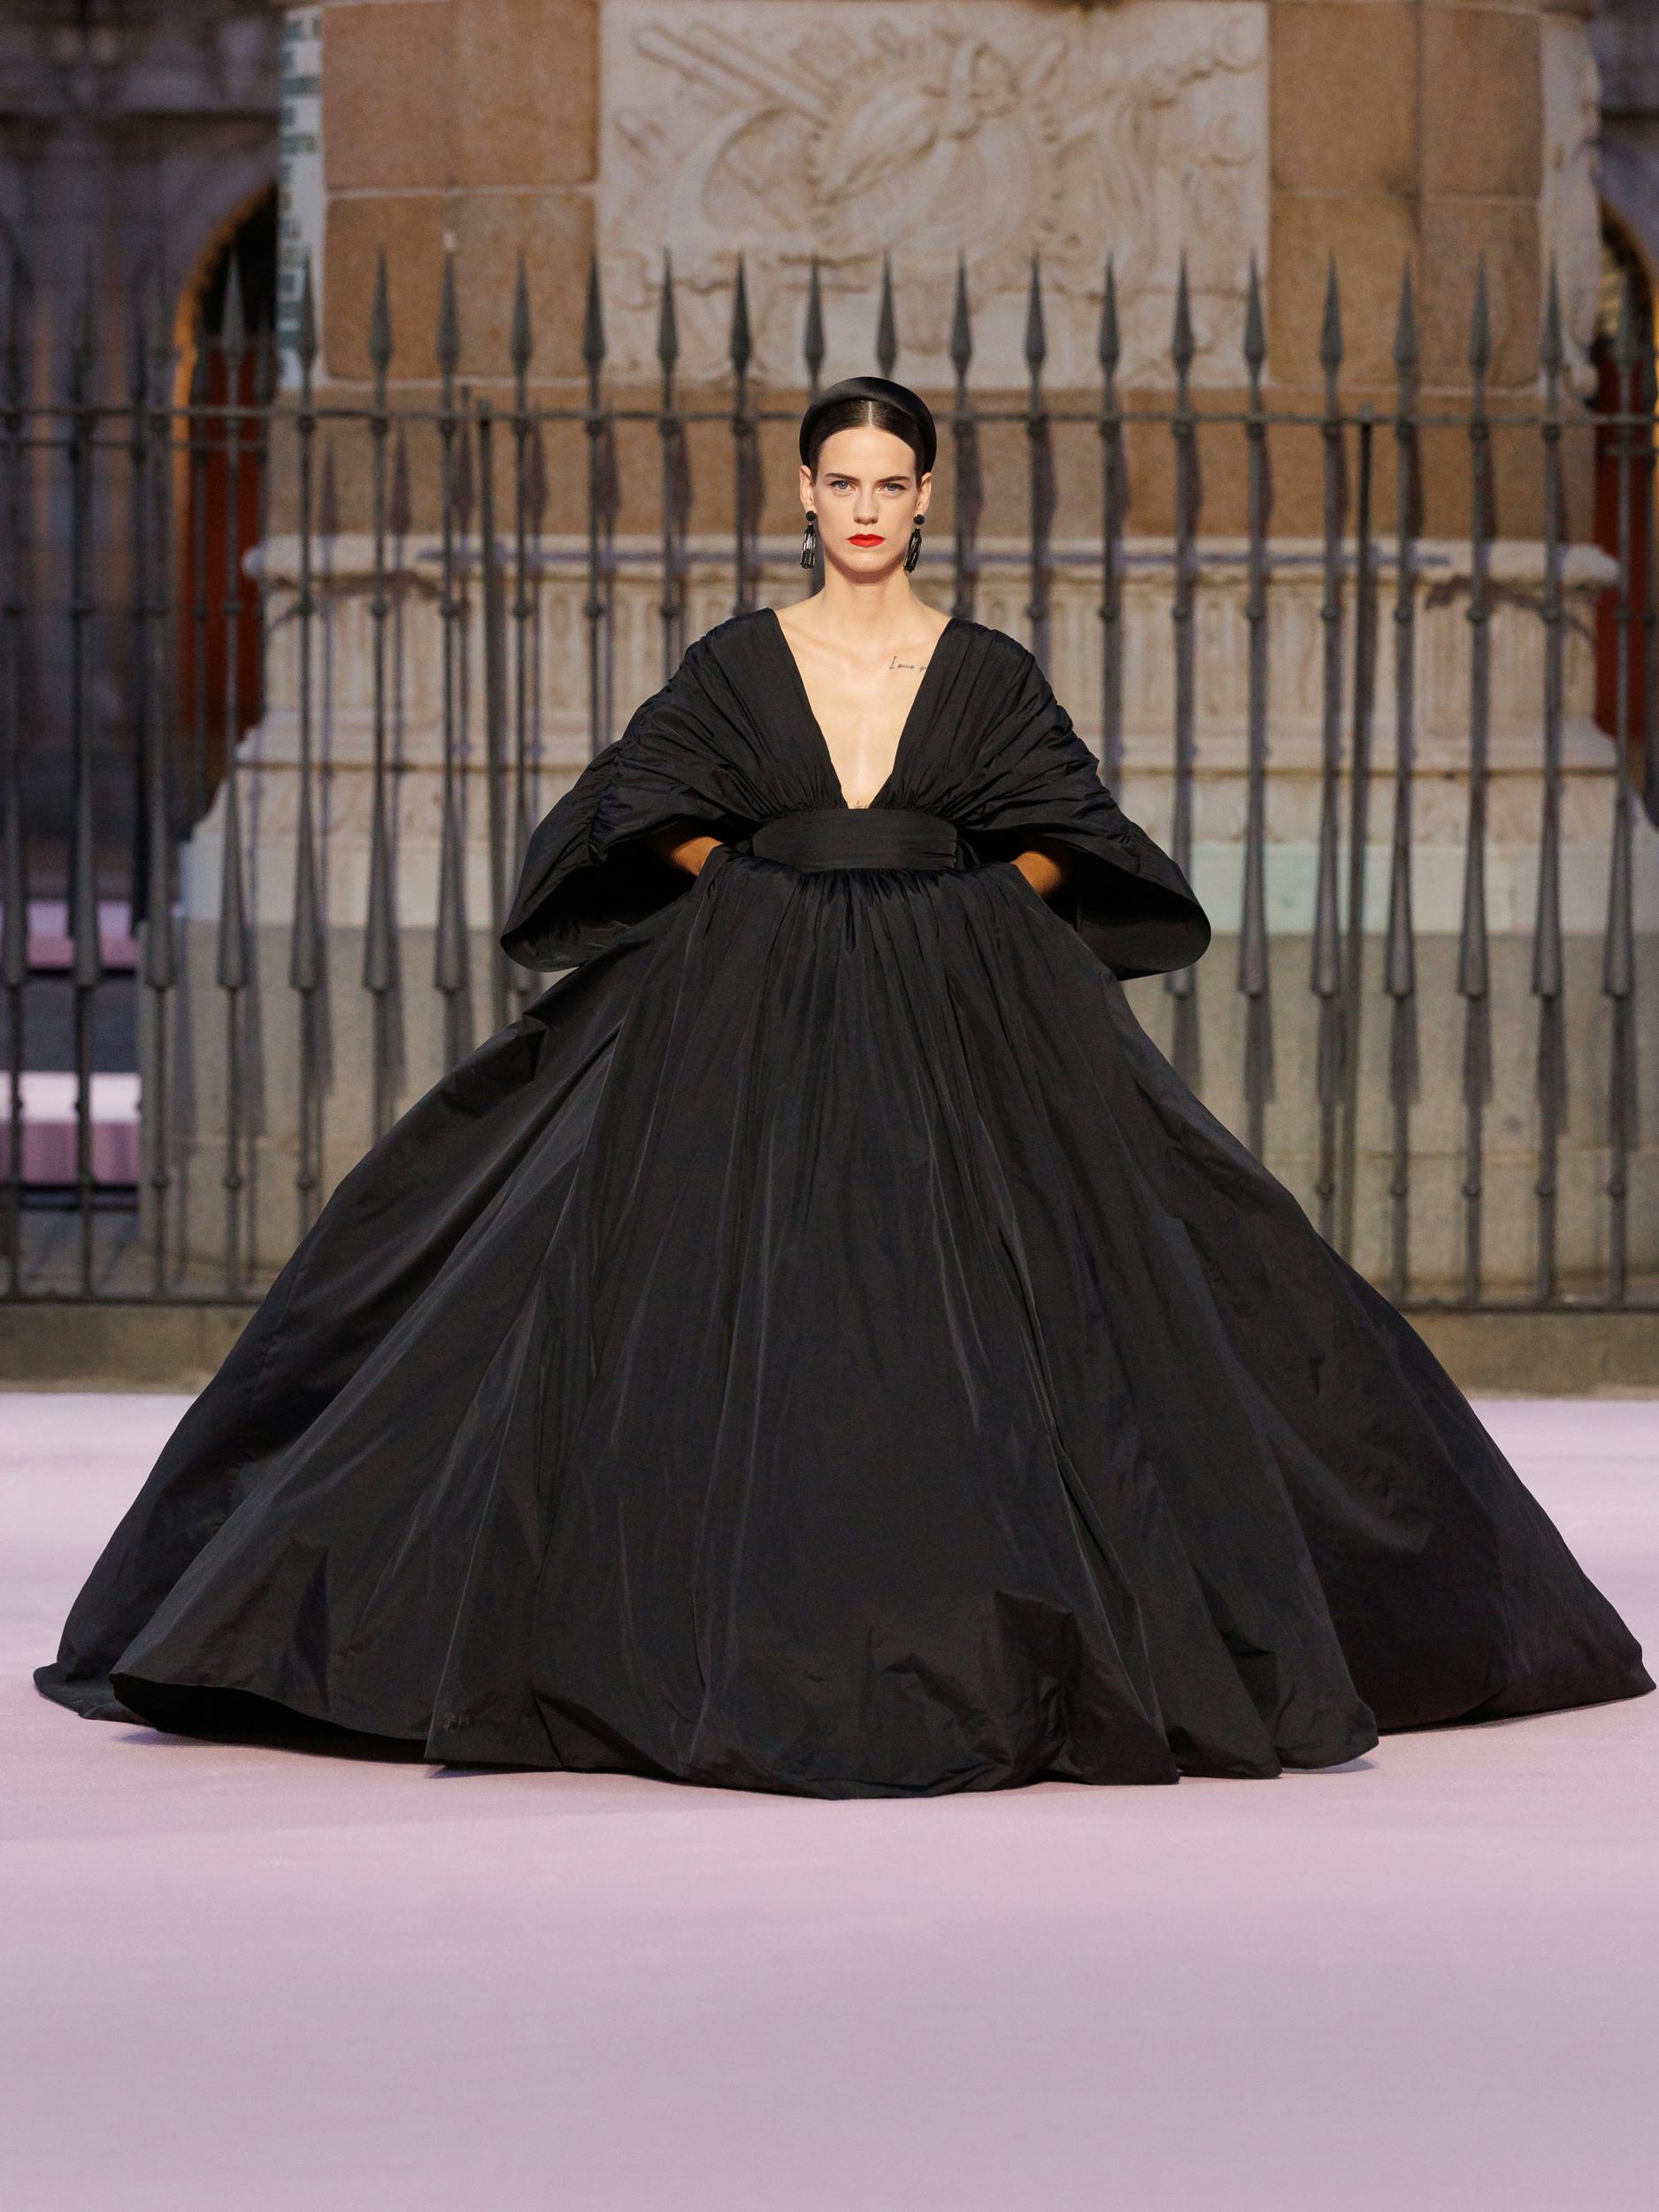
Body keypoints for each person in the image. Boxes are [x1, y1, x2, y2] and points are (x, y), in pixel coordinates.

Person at [37, 375, 1651, 1796]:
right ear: (804, 494)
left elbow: (1069, 828)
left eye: (895, 484)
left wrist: (971, 904)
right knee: (620, 1283)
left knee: (1119, 1284)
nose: (868, 509)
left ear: (925, 498)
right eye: (844, 483)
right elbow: (637, 802)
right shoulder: (743, 662)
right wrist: (744, 888)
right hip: (747, 996)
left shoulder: (986, 670)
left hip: (971, 1012)